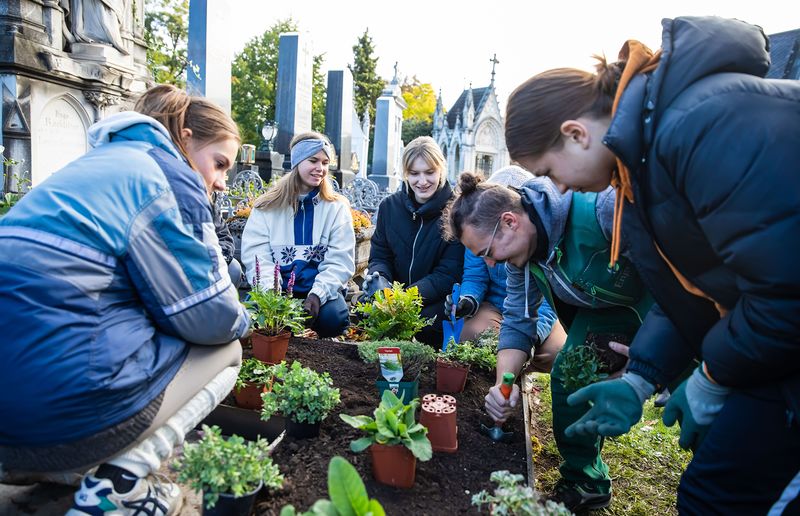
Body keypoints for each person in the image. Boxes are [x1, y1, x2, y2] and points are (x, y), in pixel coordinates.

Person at [504, 16, 800, 515]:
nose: (560, 189)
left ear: (575, 133)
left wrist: (710, 377)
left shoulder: (702, 126)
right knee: (710, 495)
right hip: (775, 343)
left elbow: (786, 292)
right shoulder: (638, 166)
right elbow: (689, 287)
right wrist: (641, 376)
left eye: (549, 172)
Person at [0, 84, 250, 516]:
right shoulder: (169, 177)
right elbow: (212, 316)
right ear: (186, 137)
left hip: (9, 424)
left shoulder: (95, 163)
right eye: (219, 163)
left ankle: (59, 467)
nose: (222, 182)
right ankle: (118, 488)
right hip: (55, 416)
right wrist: (243, 318)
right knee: (227, 350)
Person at [444, 171, 654, 513]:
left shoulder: (601, 209)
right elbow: (517, 321)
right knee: (568, 373)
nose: (490, 263)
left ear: (509, 221)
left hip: (666, 308)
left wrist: (653, 355)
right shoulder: (522, 260)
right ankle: (585, 481)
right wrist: (502, 386)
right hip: (604, 311)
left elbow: (676, 273)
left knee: (698, 401)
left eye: (488, 251)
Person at [241, 131, 354, 338]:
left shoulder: (337, 208)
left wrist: (317, 295)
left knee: (334, 318)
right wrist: (271, 296)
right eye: (313, 160)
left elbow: (340, 260)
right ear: (297, 162)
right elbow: (257, 256)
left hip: (316, 292)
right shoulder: (267, 207)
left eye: (325, 162)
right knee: (250, 316)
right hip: (276, 291)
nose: (320, 168)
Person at [360, 136, 464, 346]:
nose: (422, 181)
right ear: (405, 173)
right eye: (414, 173)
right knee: (365, 311)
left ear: (441, 170)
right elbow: (381, 255)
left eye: (429, 172)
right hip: (393, 296)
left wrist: (403, 299)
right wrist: (380, 279)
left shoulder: (455, 211)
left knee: (424, 324)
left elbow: (448, 273)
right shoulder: (390, 207)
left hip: (433, 301)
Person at [446, 165, 562, 348]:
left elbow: (550, 302)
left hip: (540, 313)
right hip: (494, 307)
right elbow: (475, 276)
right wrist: (468, 300)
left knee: (555, 351)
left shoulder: (544, 241)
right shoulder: (480, 235)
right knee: (478, 333)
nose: (490, 263)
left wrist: (534, 336)